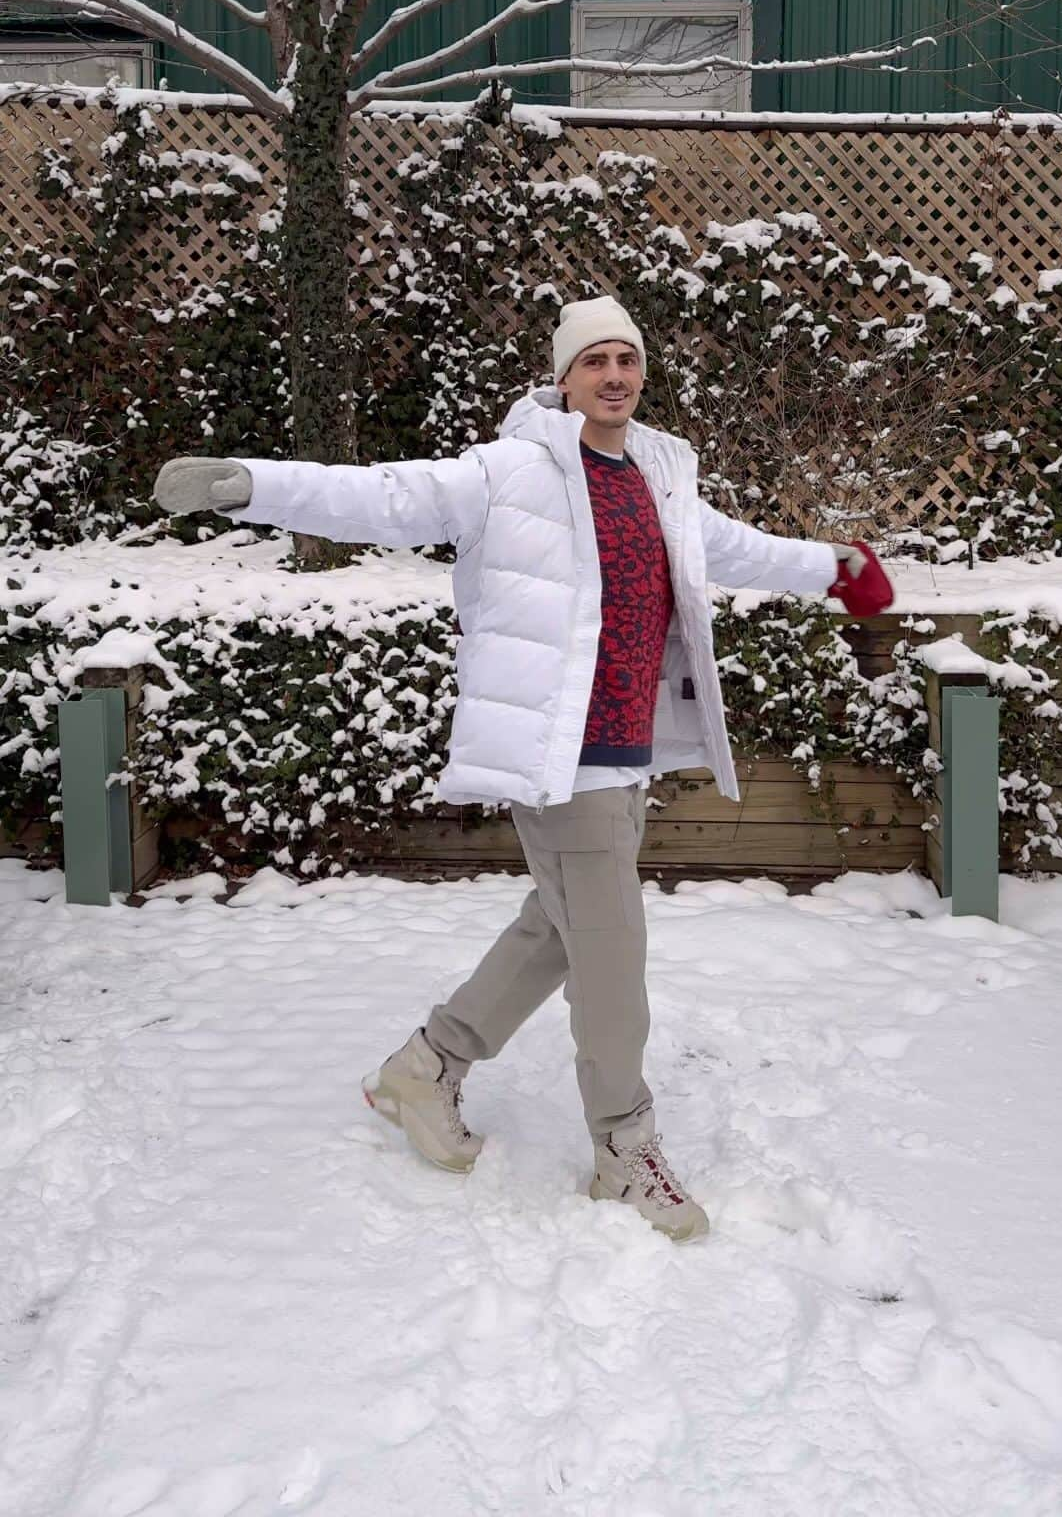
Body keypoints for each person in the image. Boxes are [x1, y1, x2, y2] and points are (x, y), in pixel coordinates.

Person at [153, 295, 893, 1244]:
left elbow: (733, 548)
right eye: (596, 362)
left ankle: (425, 1067)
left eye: (627, 359)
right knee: (612, 951)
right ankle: (625, 1151)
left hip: (627, 749)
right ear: (565, 378)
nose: (615, 375)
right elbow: (384, 496)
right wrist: (250, 484)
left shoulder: (663, 471)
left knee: (559, 925)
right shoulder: (511, 471)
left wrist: (834, 565)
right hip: (560, 756)